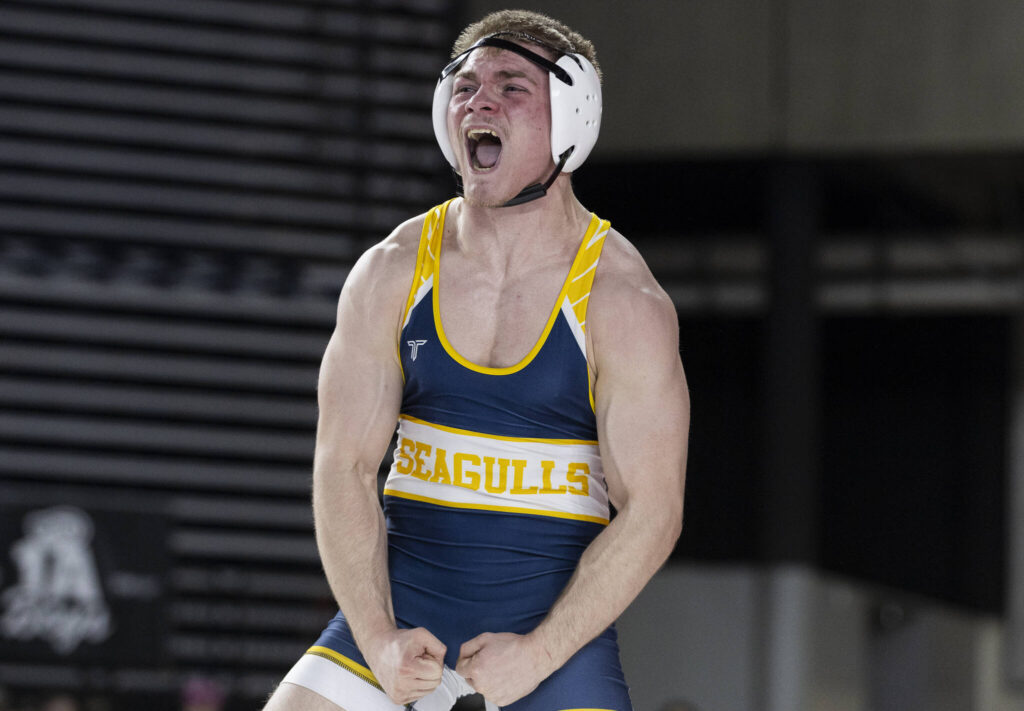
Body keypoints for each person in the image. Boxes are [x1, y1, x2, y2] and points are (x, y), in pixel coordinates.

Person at [263, 9, 689, 711]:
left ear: (572, 119)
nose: (479, 101)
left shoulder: (622, 300)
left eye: (511, 87)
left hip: (550, 652)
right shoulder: (391, 273)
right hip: (397, 636)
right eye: (464, 87)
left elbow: (654, 511)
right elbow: (343, 468)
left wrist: (541, 655)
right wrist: (376, 640)